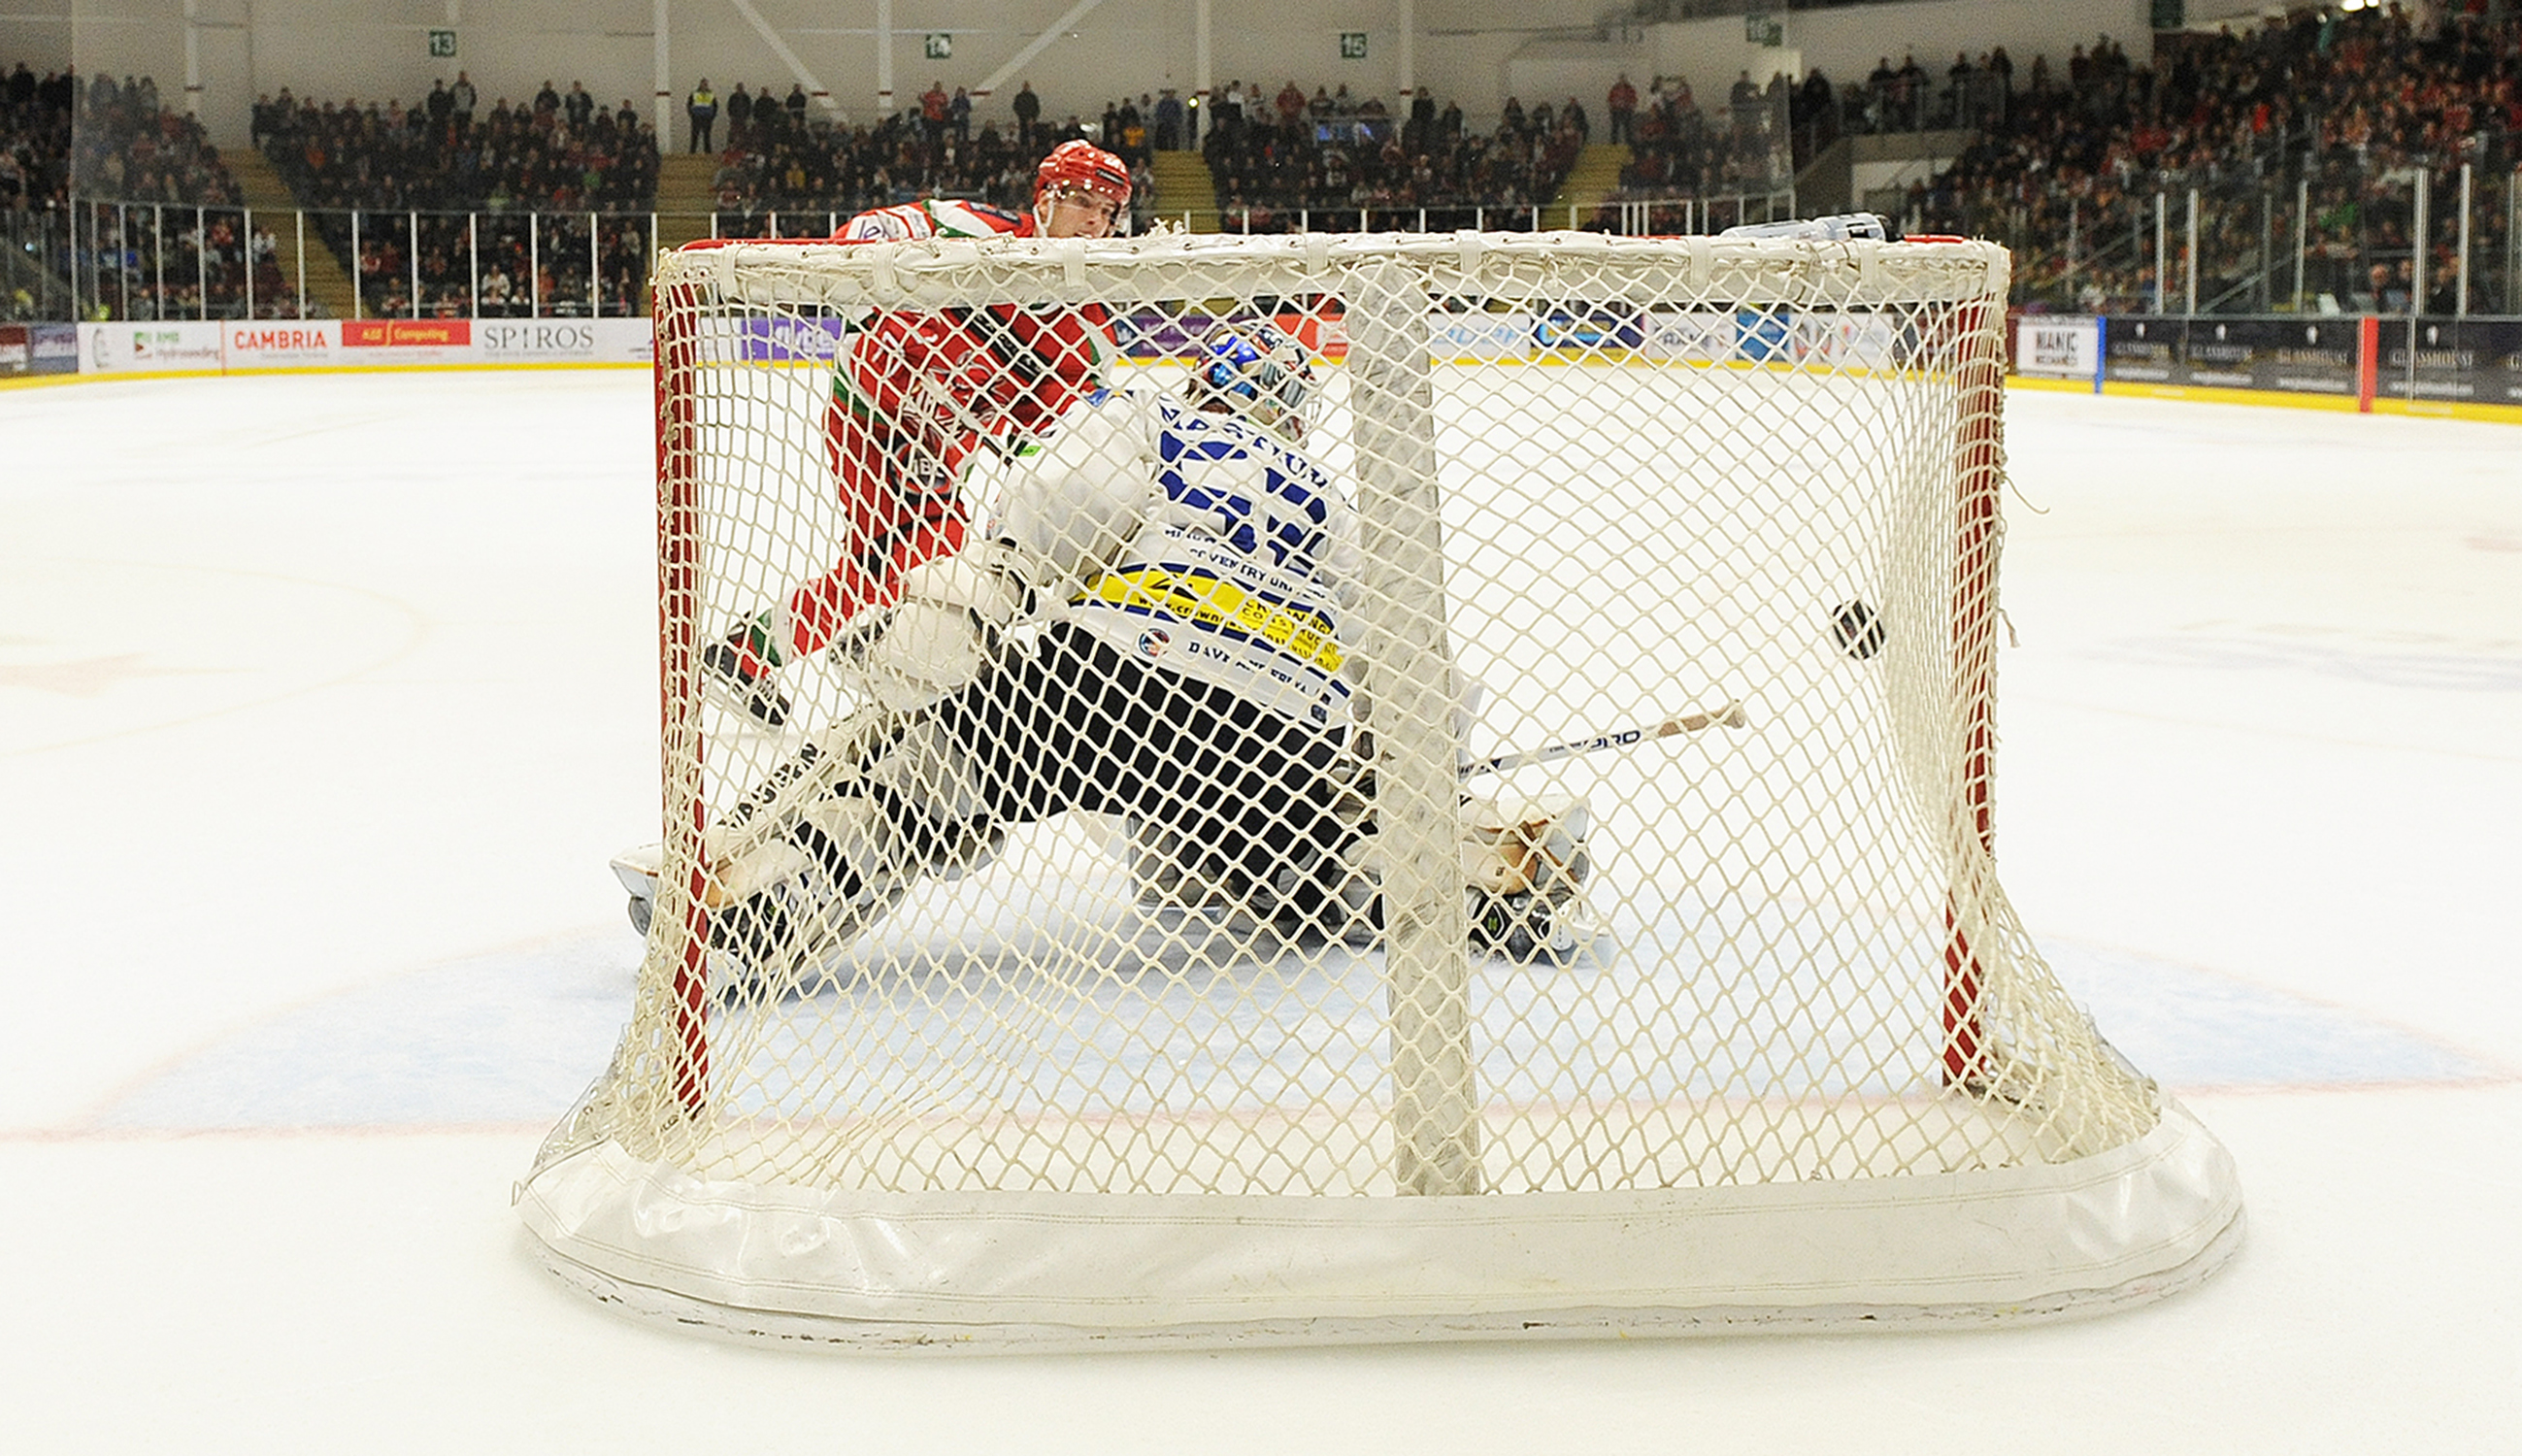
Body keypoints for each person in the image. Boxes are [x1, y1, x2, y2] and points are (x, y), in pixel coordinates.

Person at [614, 327, 1592, 978]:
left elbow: (1068, 512)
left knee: (920, 775)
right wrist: (1418, 772)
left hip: (1116, 677)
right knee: (1293, 862)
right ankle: (1471, 864)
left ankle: (758, 896)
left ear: (1206, 384)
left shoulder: (1155, 418)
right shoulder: (1336, 503)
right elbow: (1409, 662)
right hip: (1285, 732)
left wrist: (987, 597)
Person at [698, 140, 1135, 729]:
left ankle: (760, 651)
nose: (1095, 221)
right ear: (1045, 198)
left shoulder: (1088, 326)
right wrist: (861, 277)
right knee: (919, 556)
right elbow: (877, 228)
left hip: (942, 444)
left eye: (1108, 212)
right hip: (876, 406)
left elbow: (1054, 426)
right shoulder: (971, 228)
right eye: (1083, 200)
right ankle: (831, 645)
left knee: (903, 561)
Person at [685, 79, 716, 152]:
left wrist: (712, 116)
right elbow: (689, 104)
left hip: (707, 118)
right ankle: (692, 153)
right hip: (697, 117)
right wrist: (692, 115)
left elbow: (715, 106)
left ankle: (708, 153)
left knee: (707, 137)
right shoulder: (695, 93)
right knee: (695, 136)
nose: (705, 86)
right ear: (700, 84)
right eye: (703, 84)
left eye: (706, 84)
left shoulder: (711, 94)